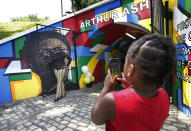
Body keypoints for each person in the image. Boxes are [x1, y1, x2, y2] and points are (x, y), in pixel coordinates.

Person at [91, 34, 175, 131]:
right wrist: (130, 87)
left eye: (126, 60)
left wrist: (106, 89)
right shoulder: (164, 96)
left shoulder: (111, 100)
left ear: (130, 69)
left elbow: (96, 119)